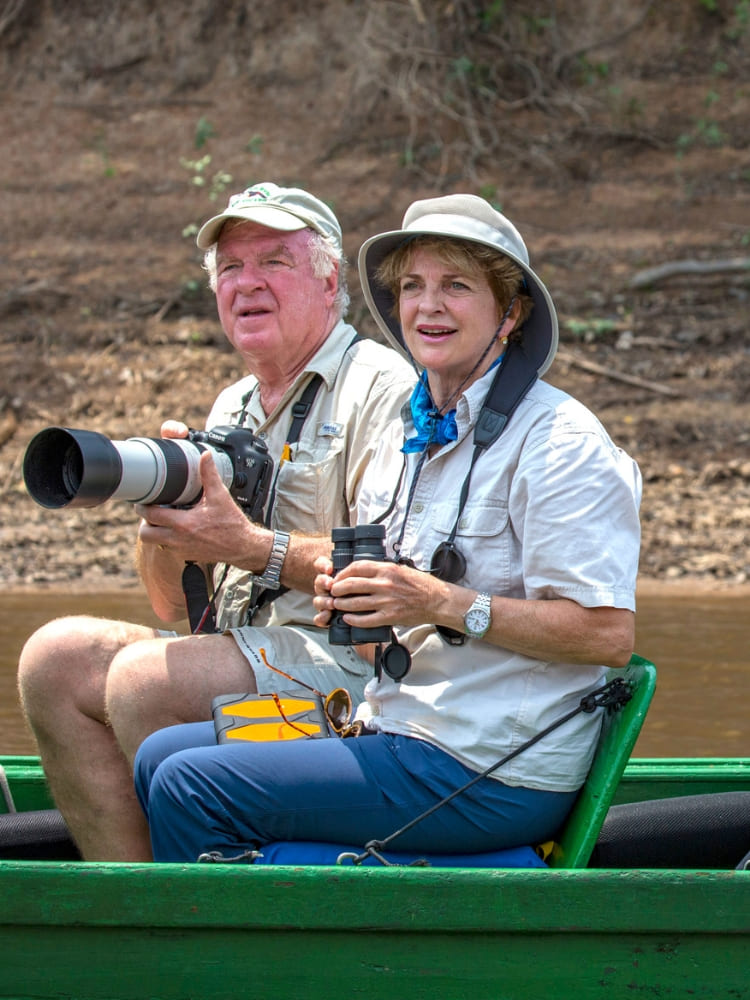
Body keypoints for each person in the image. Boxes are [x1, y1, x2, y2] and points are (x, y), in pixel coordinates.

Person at [134, 193, 642, 865]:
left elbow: (607, 635)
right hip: (399, 724)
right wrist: (356, 609)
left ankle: (233, 963)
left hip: (492, 767)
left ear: (511, 312)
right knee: (157, 756)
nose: (428, 306)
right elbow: (394, 628)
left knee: (192, 786)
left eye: (456, 286)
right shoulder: (413, 436)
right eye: (413, 287)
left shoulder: (561, 443)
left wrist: (440, 602)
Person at [17, 182, 414, 862]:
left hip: (360, 677)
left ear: (329, 280)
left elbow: (400, 582)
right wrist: (166, 529)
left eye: (273, 262)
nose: (247, 282)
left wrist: (249, 545)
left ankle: (200, 907)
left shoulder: (382, 387)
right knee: (53, 660)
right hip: (248, 651)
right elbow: (172, 604)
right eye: (230, 267)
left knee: (147, 680)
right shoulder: (232, 405)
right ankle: (131, 900)